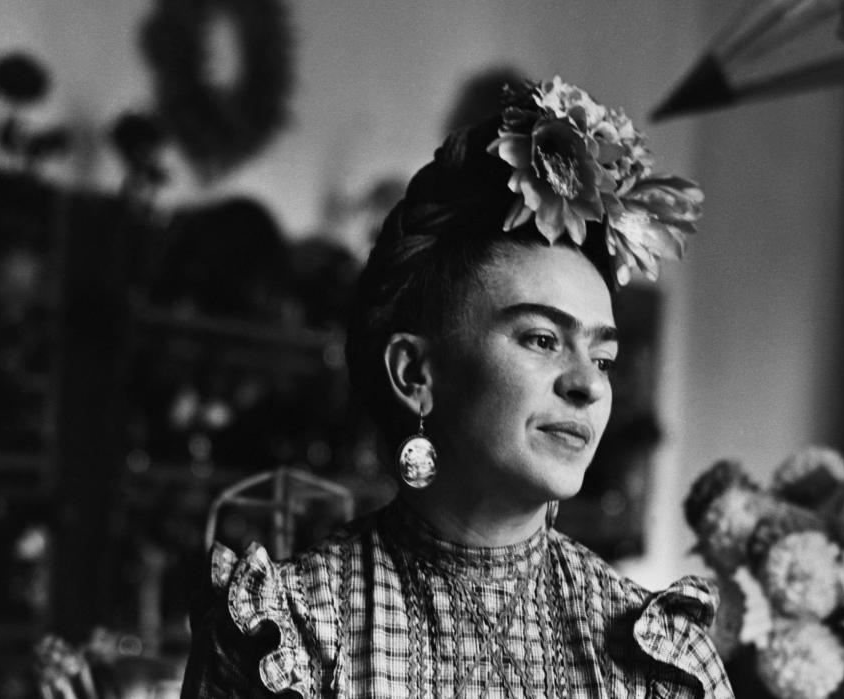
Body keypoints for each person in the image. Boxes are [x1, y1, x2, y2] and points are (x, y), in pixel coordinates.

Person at [180, 76, 732, 698]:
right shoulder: (288, 639)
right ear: (416, 375)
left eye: (602, 358)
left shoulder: (656, 660)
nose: (587, 387)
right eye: (542, 340)